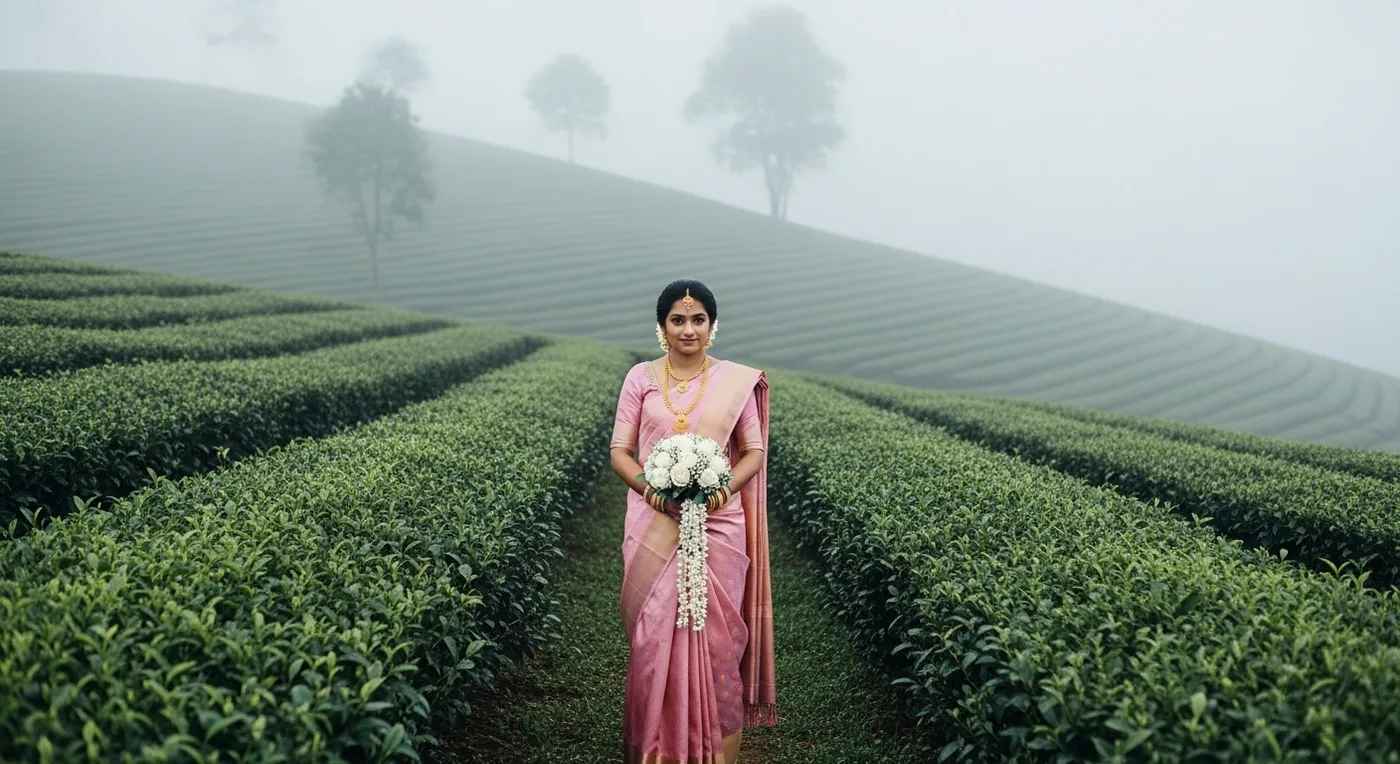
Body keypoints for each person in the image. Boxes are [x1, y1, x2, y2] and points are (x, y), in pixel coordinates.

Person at [608, 279, 777, 762]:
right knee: (653, 632)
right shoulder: (640, 377)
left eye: (698, 319)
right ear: (662, 326)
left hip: (718, 524)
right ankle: (656, 750)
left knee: (718, 636)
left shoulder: (732, 382)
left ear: (712, 325)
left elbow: (754, 452)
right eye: (678, 320)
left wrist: (720, 490)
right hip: (653, 521)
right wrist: (653, 493)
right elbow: (620, 452)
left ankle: (714, 752)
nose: (688, 328)